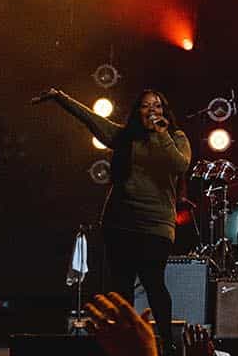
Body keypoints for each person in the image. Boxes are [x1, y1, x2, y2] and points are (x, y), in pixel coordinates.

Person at [33, 85, 190, 339]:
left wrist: (161, 135)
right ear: (137, 111)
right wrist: (60, 98)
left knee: (154, 283)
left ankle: (168, 345)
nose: (152, 110)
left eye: (157, 105)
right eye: (146, 105)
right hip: (120, 222)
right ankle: (126, 342)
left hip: (156, 224)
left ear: (165, 112)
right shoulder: (124, 137)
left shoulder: (176, 138)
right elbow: (91, 119)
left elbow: (179, 164)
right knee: (121, 288)